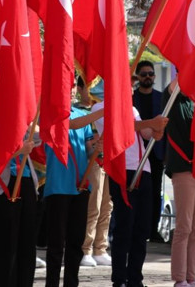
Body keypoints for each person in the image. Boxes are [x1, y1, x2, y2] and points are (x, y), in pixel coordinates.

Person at [91, 82, 169, 287]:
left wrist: (155, 130)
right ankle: (119, 279)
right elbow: (121, 127)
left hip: (144, 169)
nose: (130, 89)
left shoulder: (132, 109)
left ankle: (136, 278)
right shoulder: (99, 109)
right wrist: (150, 122)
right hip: (122, 170)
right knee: (125, 226)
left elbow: (143, 133)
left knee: (142, 229)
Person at [43, 86, 104, 287]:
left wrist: (97, 148)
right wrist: (104, 111)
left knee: (75, 243)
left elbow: (88, 151)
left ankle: (72, 283)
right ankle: (51, 283)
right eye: (65, 86)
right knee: (56, 244)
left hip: (80, 185)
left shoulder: (83, 116)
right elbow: (69, 124)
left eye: (72, 87)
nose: (69, 90)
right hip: (58, 186)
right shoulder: (49, 114)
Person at [165, 74, 195, 287]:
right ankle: (180, 278)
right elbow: (173, 86)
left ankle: (192, 277)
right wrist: (190, 63)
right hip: (184, 172)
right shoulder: (176, 100)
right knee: (184, 226)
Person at [0, 117, 38, 286]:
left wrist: (30, 123)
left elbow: (40, 138)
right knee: (5, 247)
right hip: (2, 188)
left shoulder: (20, 120)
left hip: (26, 182)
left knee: (27, 245)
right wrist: (18, 150)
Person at [132, 60, 167, 242]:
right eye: (144, 74)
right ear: (137, 76)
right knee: (135, 193)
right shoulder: (130, 99)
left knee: (154, 194)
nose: (148, 77)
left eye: (150, 74)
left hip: (156, 154)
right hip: (134, 154)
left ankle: (152, 230)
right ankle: (135, 229)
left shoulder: (161, 98)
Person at [80, 81, 113, 268]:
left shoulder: (113, 106)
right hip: (93, 161)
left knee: (107, 205)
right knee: (94, 206)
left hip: (110, 161)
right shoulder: (87, 111)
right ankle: (86, 248)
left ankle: (101, 247)